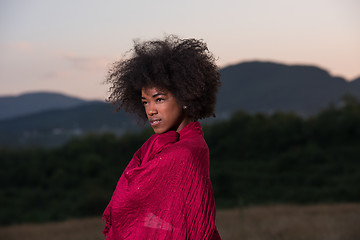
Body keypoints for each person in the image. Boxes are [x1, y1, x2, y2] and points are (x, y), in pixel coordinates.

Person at [103, 35, 222, 240]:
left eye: (159, 99)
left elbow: (128, 204)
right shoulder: (158, 145)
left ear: (185, 97)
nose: (151, 110)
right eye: (145, 102)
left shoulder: (185, 151)